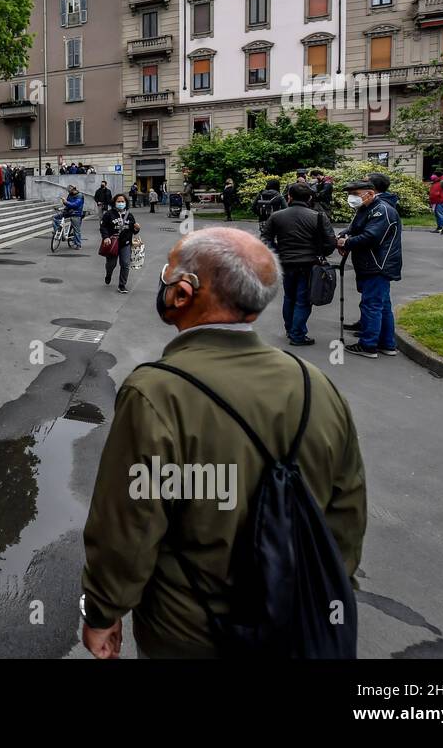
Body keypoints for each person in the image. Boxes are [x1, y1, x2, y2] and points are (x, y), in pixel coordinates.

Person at [80, 227, 367, 659]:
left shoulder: (156, 392)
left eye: (166, 272)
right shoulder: (316, 385)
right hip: (296, 626)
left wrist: (102, 612)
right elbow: (346, 514)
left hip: (189, 631)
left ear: (181, 293)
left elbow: (129, 526)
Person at [261, 182, 336, 347]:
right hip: (309, 263)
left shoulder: (277, 216)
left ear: (289, 196)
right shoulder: (318, 216)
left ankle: (291, 329)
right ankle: (298, 334)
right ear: (309, 198)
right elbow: (331, 241)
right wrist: (321, 253)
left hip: (286, 262)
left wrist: (277, 253)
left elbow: (265, 239)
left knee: (289, 297)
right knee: (303, 300)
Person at [336, 178, 401, 359]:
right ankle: (387, 344)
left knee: (371, 305)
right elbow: (354, 229)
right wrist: (344, 235)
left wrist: (346, 242)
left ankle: (368, 345)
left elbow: (370, 237)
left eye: (355, 194)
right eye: (349, 194)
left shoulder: (382, 211)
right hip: (371, 264)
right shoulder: (366, 209)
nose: (351, 198)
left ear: (370, 193)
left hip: (378, 265)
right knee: (382, 305)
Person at [101, 193, 140, 293]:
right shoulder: (109, 214)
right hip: (112, 244)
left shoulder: (129, 215)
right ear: (114, 202)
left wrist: (137, 229)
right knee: (111, 264)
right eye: (118, 201)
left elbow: (133, 230)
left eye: (123, 201)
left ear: (126, 203)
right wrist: (106, 237)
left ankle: (122, 285)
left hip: (125, 243)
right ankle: (108, 274)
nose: (121, 203)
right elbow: (103, 227)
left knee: (125, 264)